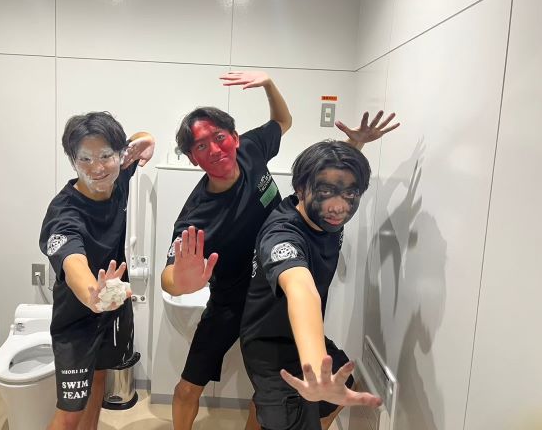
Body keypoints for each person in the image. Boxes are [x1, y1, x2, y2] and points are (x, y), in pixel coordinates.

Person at [161, 70, 398, 430]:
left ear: (235, 138)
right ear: (193, 158)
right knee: (189, 385)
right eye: (201, 147)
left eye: (219, 137)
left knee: (269, 393)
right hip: (231, 301)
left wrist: (269, 84)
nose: (215, 150)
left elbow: (284, 123)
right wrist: (179, 282)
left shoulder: (251, 151)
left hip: (272, 296)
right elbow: (169, 277)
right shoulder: (198, 215)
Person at [240, 140, 383, 430]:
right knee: (288, 416)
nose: (339, 206)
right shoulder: (282, 234)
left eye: (350, 193)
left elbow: (338, 179)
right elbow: (301, 290)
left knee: (342, 382)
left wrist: (355, 145)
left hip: (299, 339)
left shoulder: (324, 214)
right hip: (270, 347)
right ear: (301, 189)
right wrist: (317, 370)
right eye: (326, 191)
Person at [39, 111, 154, 430]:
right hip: (77, 318)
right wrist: (93, 294)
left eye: (105, 156)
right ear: (73, 161)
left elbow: (142, 140)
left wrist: (148, 140)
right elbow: (72, 260)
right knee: (70, 413)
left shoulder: (118, 177)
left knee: (100, 379)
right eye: (85, 159)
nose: (97, 168)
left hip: (113, 308)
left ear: (120, 155)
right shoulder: (64, 213)